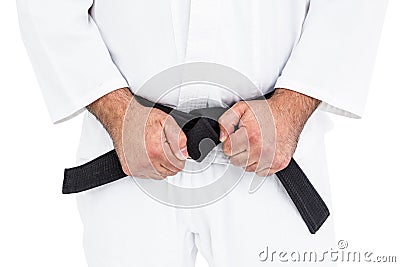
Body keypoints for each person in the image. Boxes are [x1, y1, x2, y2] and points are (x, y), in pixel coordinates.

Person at [16, 0, 387, 266]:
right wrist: (118, 113)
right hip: (130, 159)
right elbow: (47, 8)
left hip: (272, 162)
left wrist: (291, 108)